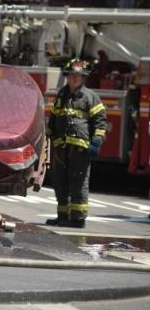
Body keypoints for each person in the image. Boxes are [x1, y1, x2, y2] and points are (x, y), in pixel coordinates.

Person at [45, 58, 107, 228]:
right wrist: (46, 136)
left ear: (83, 78)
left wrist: (96, 141)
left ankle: (78, 218)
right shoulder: (62, 95)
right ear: (67, 76)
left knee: (78, 182)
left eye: (78, 76)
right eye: (72, 75)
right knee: (60, 182)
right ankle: (62, 216)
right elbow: (53, 118)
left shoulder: (90, 97)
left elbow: (100, 122)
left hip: (80, 148)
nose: (74, 78)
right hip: (61, 146)